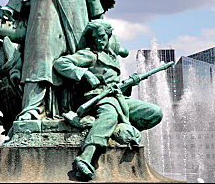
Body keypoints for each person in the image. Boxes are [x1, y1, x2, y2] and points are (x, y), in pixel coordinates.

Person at [53, 20, 163, 180]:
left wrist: (128, 84)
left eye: (102, 37)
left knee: (155, 112)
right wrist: (85, 74)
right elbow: (60, 63)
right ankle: (85, 157)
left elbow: (116, 85)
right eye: (96, 38)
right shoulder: (89, 54)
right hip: (99, 100)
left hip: (120, 100)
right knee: (109, 115)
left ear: (108, 36)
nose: (99, 41)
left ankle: (122, 131)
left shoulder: (112, 57)